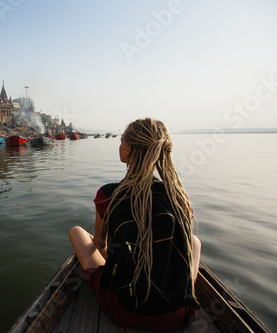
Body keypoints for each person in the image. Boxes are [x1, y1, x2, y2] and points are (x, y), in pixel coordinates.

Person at [69, 118, 201, 331]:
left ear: (128, 149)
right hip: (178, 314)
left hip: (125, 311)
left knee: (77, 232)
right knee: (194, 242)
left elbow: (99, 244)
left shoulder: (108, 195)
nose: (119, 145)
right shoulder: (179, 197)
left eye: (121, 141)